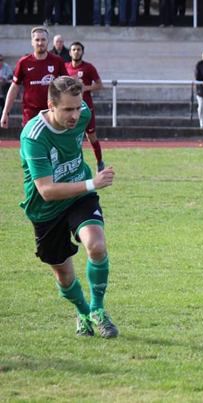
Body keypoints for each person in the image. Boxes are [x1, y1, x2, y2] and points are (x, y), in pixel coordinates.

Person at [19, 76, 119, 339]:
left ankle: (98, 310)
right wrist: (92, 183)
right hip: (45, 210)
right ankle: (83, 312)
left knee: (96, 245)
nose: (76, 115)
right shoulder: (34, 136)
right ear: (51, 105)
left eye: (78, 107)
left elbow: (87, 129)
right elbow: (46, 191)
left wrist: (88, 183)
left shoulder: (83, 114)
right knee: (64, 277)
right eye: (67, 109)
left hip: (78, 197)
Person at [1, 27, 69, 129]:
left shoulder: (57, 61)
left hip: (52, 112)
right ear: (32, 42)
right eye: (37, 40)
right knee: (30, 144)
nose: (40, 43)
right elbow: (14, 87)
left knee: (51, 145)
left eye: (43, 40)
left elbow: (66, 85)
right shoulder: (24, 62)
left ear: (48, 42)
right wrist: (5, 112)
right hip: (30, 113)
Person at [65, 42, 105, 172]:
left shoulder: (88, 68)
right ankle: (70, 165)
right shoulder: (65, 68)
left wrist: (86, 88)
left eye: (78, 49)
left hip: (86, 108)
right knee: (70, 137)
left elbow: (99, 85)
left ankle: (99, 162)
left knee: (91, 136)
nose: (76, 52)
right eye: (74, 50)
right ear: (70, 53)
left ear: (82, 52)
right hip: (70, 108)